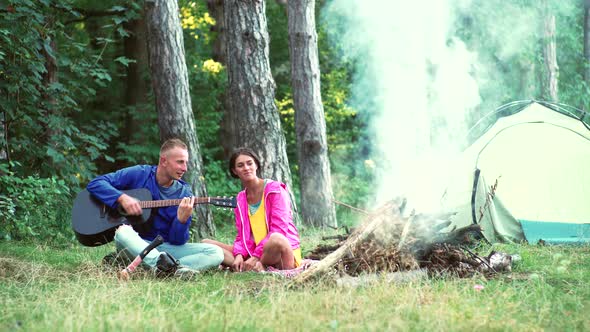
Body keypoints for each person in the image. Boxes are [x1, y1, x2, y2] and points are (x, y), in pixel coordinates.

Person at [86, 138, 224, 277]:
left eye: (186, 162)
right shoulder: (140, 174)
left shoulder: (184, 193)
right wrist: (121, 198)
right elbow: (96, 183)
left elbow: (177, 241)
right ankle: (168, 268)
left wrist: (181, 221)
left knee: (216, 252)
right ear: (164, 161)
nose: (185, 168)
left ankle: (161, 270)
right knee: (122, 233)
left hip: (165, 247)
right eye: (180, 162)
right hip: (136, 243)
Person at [203, 147, 301, 272]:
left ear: (256, 165)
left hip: (280, 252)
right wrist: (239, 254)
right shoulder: (240, 199)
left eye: (250, 163)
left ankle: (256, 264)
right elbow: (242, 236)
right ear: (234, 171)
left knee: (276, 238)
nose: (246, 168)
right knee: (206, 243)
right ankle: (246, 265)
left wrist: (255, 256)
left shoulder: (275, 190)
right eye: (240, 165)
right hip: (255, 251)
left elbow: (279, 230)